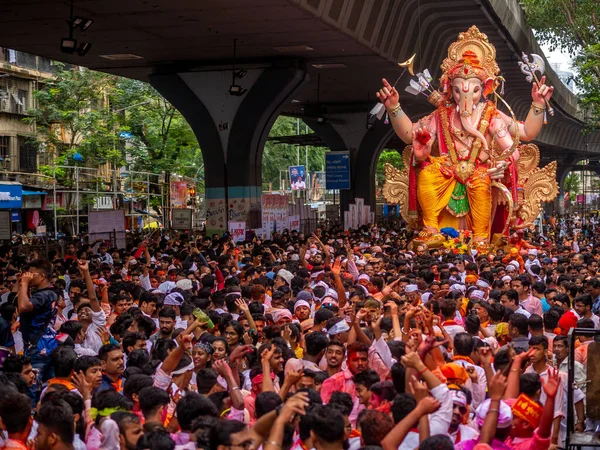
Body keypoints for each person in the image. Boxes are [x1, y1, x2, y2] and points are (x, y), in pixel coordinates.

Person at [18, 259, 58, 382]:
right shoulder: (50, 293)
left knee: (32, 386)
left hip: (37, 349)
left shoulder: (43, 295)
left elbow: (23, 306)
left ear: (42, 276)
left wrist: (24, 283)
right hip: (49, 345)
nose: (28, 276)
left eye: (31, 273)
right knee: (49, 386)